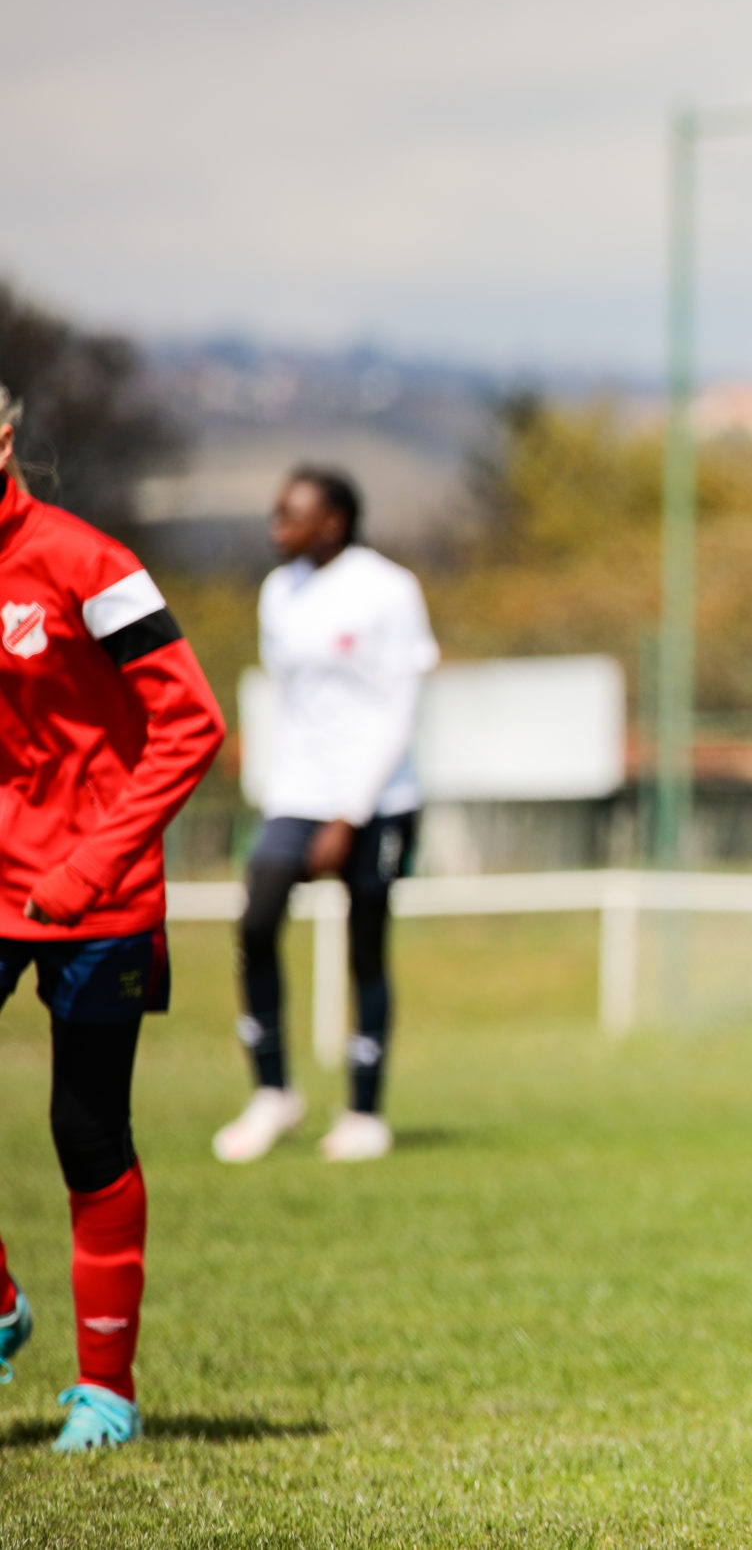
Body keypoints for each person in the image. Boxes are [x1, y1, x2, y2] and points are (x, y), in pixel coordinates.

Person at [0, 391, 227, 1451]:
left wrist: (95, 862)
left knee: (85, 1133)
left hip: (100, 895)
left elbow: (193, 723)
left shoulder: (88, 564)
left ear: (1, 439)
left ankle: (107, 1393)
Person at [214, 466, 438, 1165]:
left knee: (366, 944)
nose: (277, 526)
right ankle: (274, 1090)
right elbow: (289, 702)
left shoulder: (388, 587)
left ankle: (365, 1109)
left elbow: (401, 706)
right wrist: (284, 788)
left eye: (292, 514)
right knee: (257, 917)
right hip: (298, 792)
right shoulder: (278, 591)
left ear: (333, 521)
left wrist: (351, 811)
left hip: (380, 796)